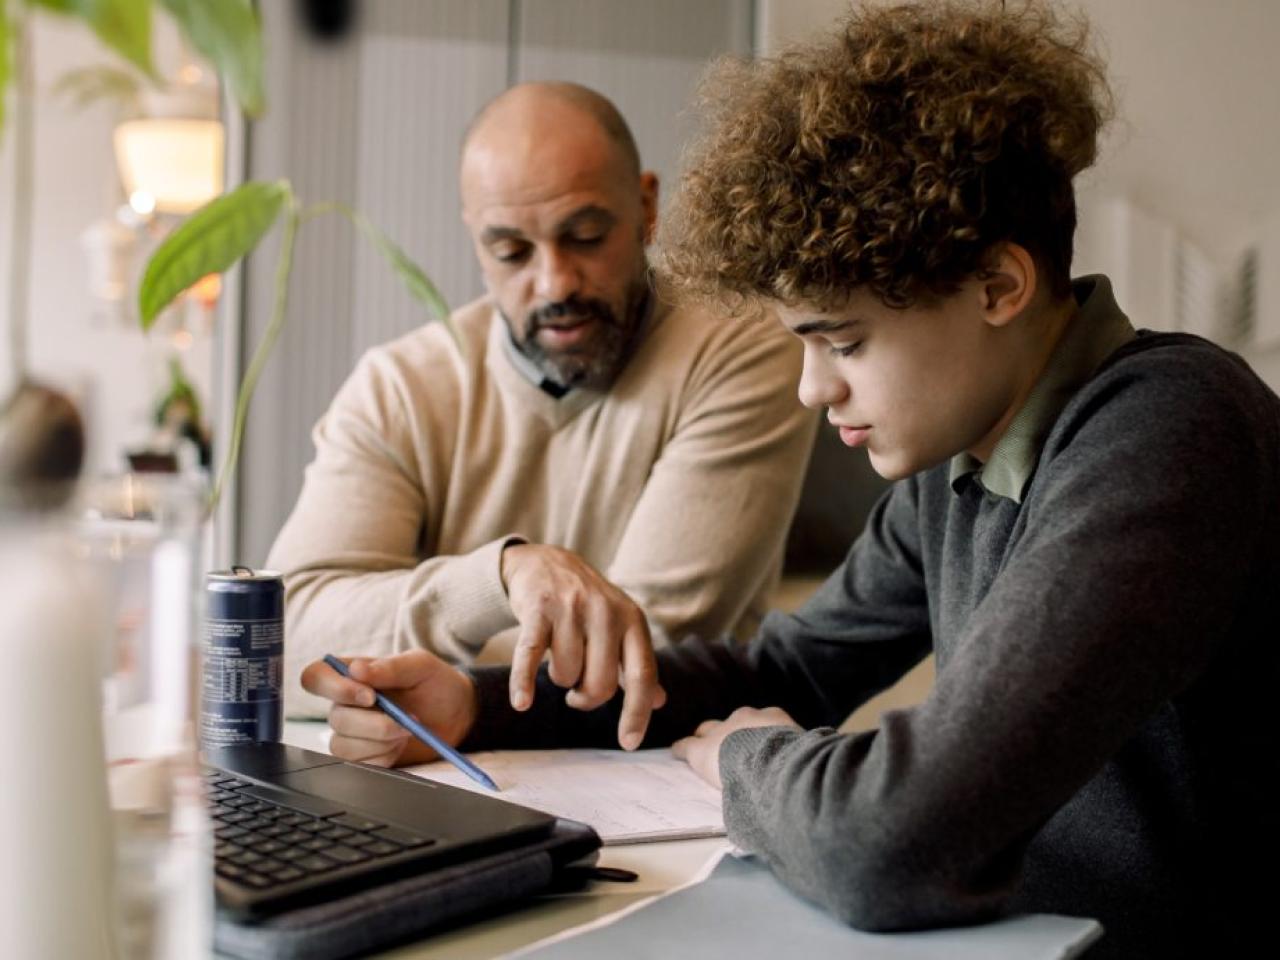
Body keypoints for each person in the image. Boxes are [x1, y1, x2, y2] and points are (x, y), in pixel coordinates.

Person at [300, 3, 1279, 956]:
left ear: (997, 285)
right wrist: (473, 705)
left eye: (841, 342)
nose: (813, 389)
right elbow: (784, 672)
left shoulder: (1168, 433)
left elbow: (886, 843)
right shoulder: (959, 464)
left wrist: (747, 760)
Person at [270, 81, 815, 721]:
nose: (555, 282)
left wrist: (416, 674)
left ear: (647, 208)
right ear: (477, 240)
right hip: (437, 763)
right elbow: (279, 644)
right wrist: (498, 580)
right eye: (511, 252)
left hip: (665, 762)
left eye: (586, 236)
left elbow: (643, 651)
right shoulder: (398, 388)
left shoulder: (741, 346)